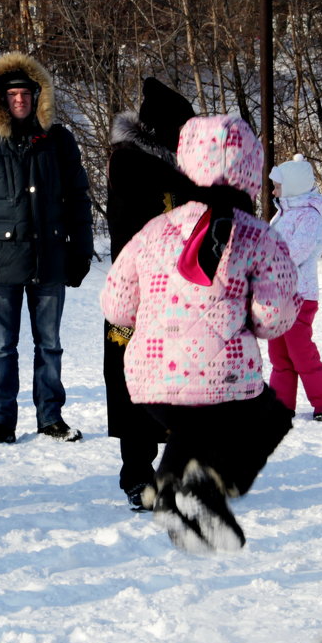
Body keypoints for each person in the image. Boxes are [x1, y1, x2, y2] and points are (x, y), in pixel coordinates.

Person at [101, 114, 301, 552]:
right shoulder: (258, 236)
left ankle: (182, 491)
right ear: (251, 168)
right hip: (224, 380)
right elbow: (274, 316)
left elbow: (115, 303)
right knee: (266, 418)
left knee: (191, 422)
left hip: (149, 379)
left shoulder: (154, 229)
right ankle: (187, 491)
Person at [0, 52, 93, 445]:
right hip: (1, 267)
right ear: (0, 99)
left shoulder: (59, 142)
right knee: (3, 347)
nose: (20, 100)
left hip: (50, 261)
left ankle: (51, 417)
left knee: (50, 344)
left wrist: (80, 251)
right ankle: (2, 421)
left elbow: (78, 198)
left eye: (26, 93)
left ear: (38, 96)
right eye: (12, 94)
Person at [104, 77, 197, 511]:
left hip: (181, 295)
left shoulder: (183, 167)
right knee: (131, 386)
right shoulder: (130, 163)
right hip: (137, 295)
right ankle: (136, 474)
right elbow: (128, 234)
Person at [267, 154, 322, 421]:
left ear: (293, 186)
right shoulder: (282, 215)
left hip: (299, 296)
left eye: (278, 186)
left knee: (300, 352)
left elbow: (295, 252)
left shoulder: (309, 217)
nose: (273, 191)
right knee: (279, 354)